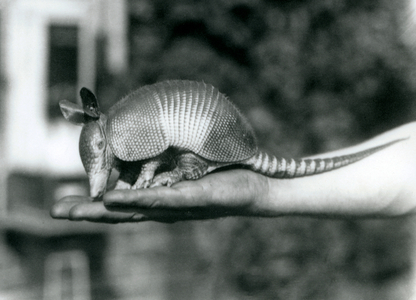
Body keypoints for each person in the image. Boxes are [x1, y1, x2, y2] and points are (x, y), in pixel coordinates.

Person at [50, 122, 416, 223]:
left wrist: (266, 192)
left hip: (210, 140)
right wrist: (269, 193)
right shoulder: (131, 128)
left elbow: (156, 150)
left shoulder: (132, 129)